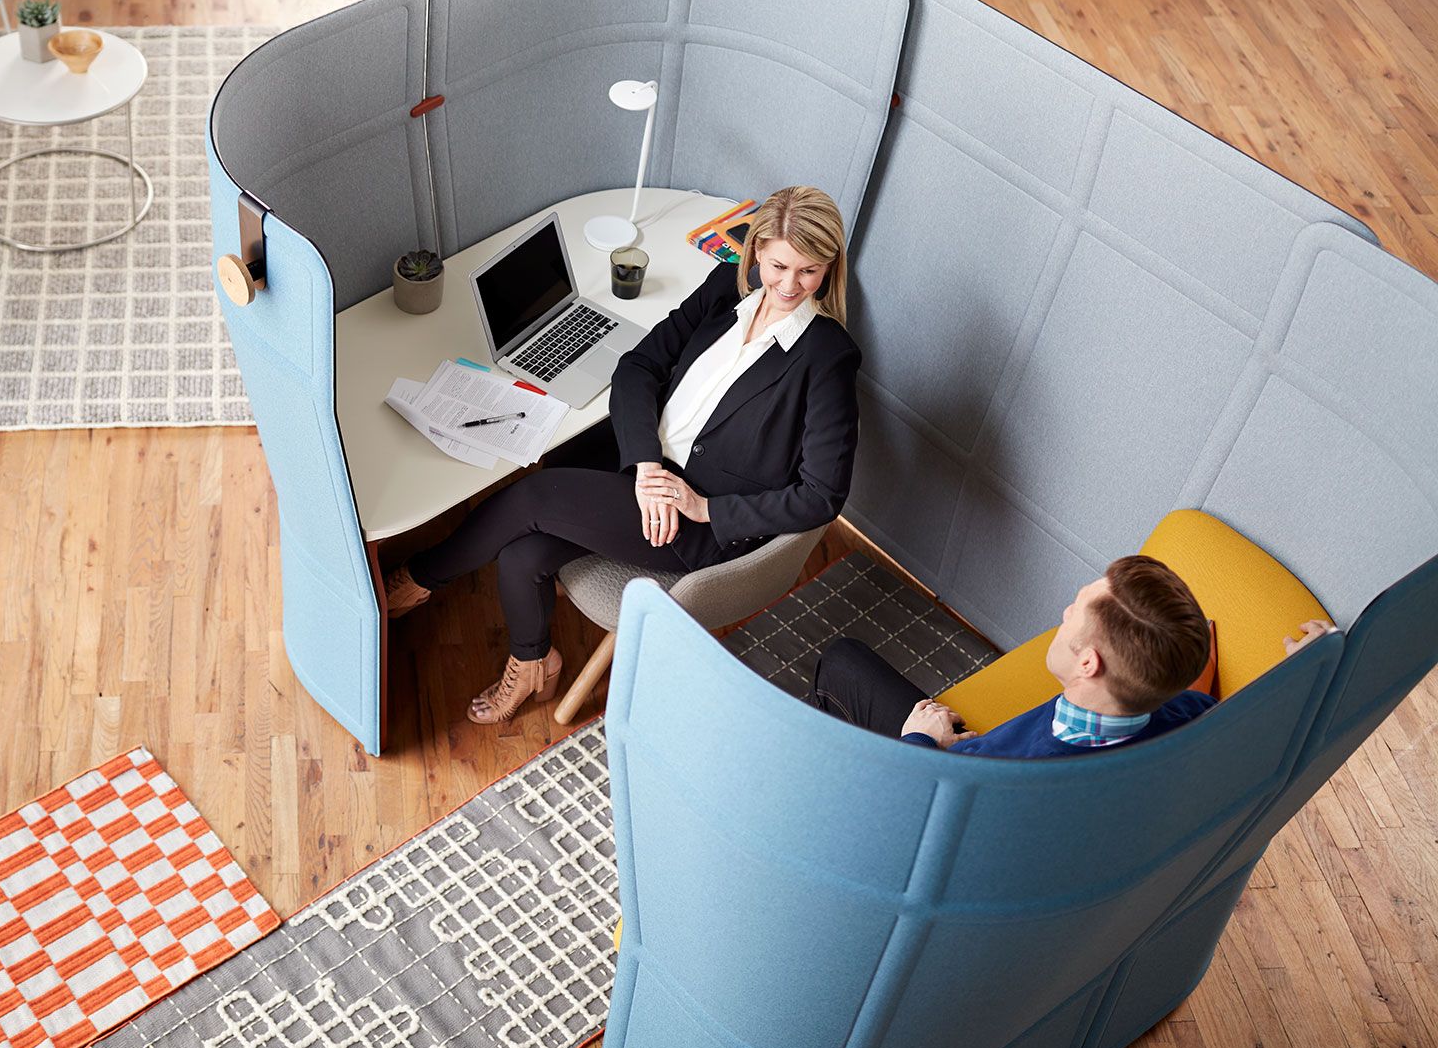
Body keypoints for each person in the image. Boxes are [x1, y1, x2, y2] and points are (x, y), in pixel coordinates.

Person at [385, 186, 861, 725]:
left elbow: (823, 494)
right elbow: (637, 368)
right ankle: (534, 662)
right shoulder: (725, 287)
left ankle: (418, 579)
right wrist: (645, 465)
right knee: (522, 556)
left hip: (696, 520)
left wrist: (705, 508)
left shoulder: (827, 358)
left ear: (829, 268)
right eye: (778, 266)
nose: (789, 285)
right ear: (755, 251)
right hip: (643, 468)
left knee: (534, 495)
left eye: (809, 272)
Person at [810, 555, 1219, 757]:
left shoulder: (996, 770)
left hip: (936, 772)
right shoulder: (1193, 713)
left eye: (1077, 609)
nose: (1066, 612)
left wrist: (919, 740)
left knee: (842, 661)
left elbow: (900, 811)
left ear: (1088, 664)